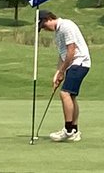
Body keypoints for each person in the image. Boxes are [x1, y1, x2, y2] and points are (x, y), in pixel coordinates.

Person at [39, 9, 91, 142]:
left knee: (65, 93)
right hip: (75, 64)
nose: (45, 29)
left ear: (48, 19)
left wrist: (62, 71)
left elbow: (71, 52)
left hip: (79, 62)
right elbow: (63, 55)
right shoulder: (58, 32)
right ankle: (74, 130)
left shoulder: (66, 26)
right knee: (71, 96)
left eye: (44, 26)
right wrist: (57, 73)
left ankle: (67, 130)